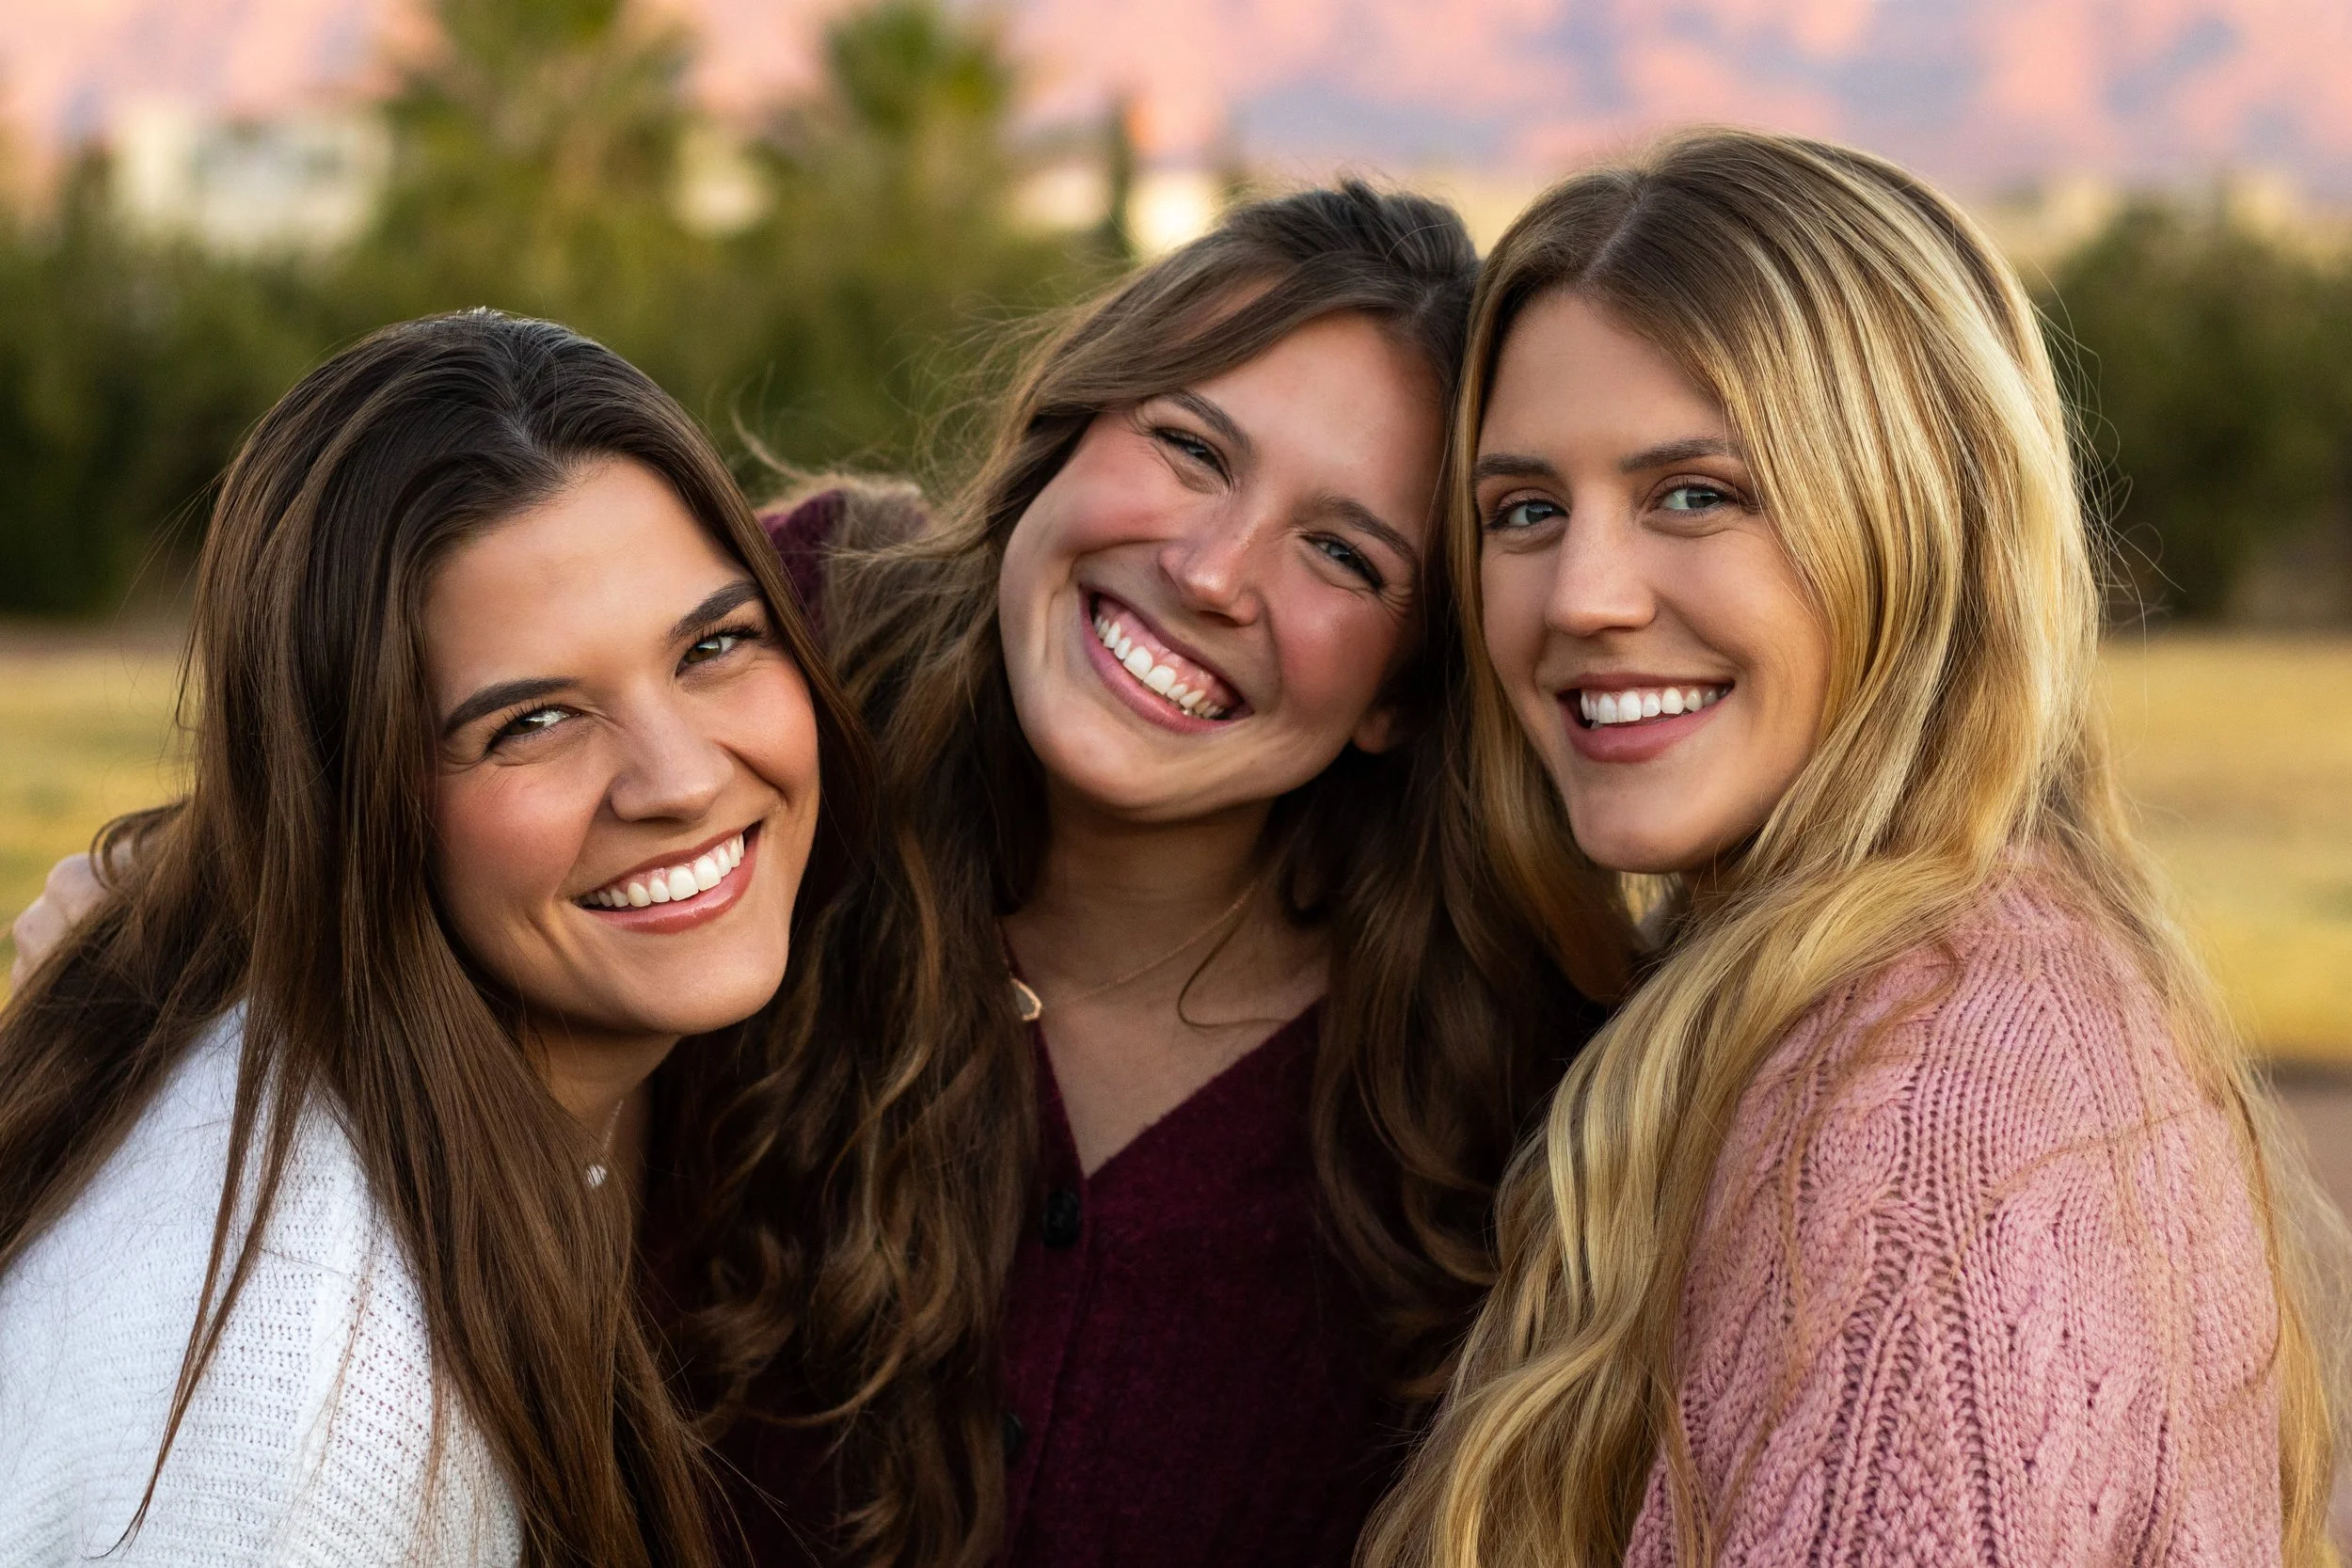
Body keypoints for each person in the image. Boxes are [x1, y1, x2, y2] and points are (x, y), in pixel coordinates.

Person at [1360, 130, 2344, 1568]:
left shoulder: (1926, 1116)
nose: (1580, 595)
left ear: (1920, 518)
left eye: (1696, 492)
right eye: (1524, 510)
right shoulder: (1943, 983)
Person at [655, 182, 1626, 1568]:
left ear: (1403, 695)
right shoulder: (771, 688)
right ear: (1067, 436)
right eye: (1188, 447)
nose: (1213, 569)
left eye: (1343, 552)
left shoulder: (1511, 1102)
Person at [0, 310, 871, 1565]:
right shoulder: (317, 1403)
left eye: (715, 644)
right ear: (359, 804)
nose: (679, 780)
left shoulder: (486, 1102)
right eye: (533, 720)